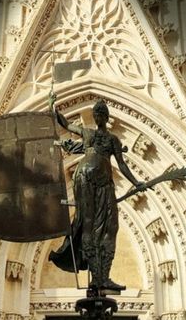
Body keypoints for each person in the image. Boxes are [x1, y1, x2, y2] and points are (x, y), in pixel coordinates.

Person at [48, 93, 146, 290]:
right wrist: (53, 108)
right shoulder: (88, 134)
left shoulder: (112, 140)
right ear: (95, 117)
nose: (99, 116)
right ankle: (99, 278)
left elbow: (122, 165)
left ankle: (102, 277)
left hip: (102, 183)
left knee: (109, 226)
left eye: (101, 113)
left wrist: (137, 183)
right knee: (89, 224)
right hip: (86, 179)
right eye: (97, 113)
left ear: (106, 117)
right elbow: (66, 124)